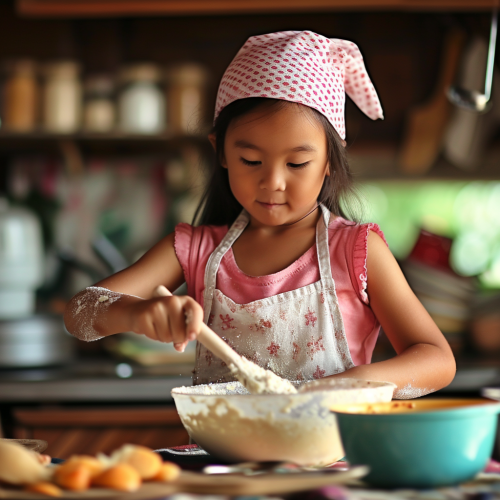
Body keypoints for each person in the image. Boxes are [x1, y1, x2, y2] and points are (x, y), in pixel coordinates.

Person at [64, 30, 456, 399]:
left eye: (298, 163)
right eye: (250, 160)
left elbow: (437, 360)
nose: (273, 182)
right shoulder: (197, 249)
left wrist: (353, 385)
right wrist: (137, 312)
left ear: (330, 162)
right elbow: (79, 315)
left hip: (335, 463)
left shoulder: (356, 249)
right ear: (220, 152)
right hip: (222, 464)